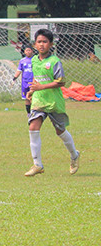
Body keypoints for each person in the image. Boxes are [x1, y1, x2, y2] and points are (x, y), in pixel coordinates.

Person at [24, 28, 81, 176]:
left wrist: (41, 86)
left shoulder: (55, 61)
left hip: (54, 102)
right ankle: (37, 165)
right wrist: (32, 90)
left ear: (50, 44)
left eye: (45, 42)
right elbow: (37, 78)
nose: (41, 44)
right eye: (39, 42)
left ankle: (74, 155)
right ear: (35, 44)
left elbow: (61, 82)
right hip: (39, 100)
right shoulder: (34, 60)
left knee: (60, 131)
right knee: (33, 127)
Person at [12, 45, 35, 114]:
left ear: (32, 51)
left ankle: (34, 112)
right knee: (26, 98)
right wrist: (14, 78)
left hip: (33, 82)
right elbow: (19, 70)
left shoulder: (36, 59)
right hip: (25, 82)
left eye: (29, 50)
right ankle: (29, 113)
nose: (28, 52)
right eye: (26, 50)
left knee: (32, 97)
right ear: (24, 52)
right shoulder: (22, 61)